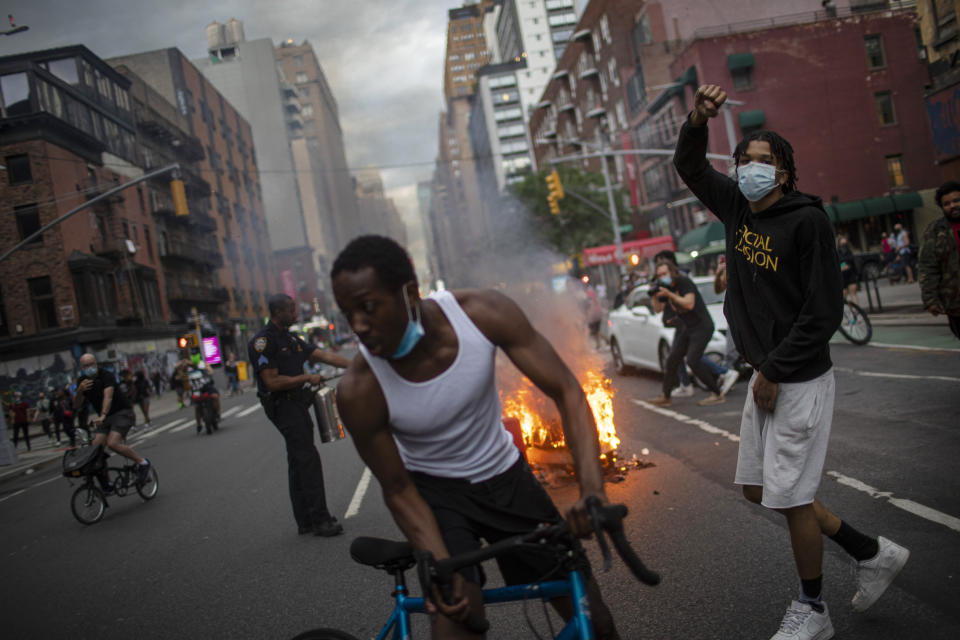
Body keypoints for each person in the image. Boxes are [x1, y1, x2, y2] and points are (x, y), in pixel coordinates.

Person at [675, 83, 910, 640]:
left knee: (793, 496)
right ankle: (869, 551)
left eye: (765, 161)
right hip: (767, 373)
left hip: (797, 376)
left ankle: (814, 610)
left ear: (783, 172)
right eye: (745, 161)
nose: (753, 169)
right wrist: (697, 120)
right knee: (761, 490)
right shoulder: (735, 206)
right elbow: (689, 166)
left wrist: (777, 369)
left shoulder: (807, 222)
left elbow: (823, 309)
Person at [332, 235, 621, 639]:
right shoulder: (359, 390)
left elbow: (568, 392)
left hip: (508, 480)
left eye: (368, 307)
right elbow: (397, 489)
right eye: (348, 314)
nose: (358, 326)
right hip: (437, 500)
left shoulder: (481, 314)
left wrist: (592, 491)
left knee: (596, 622)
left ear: (410, 293)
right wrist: (436, 561)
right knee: (459, 623)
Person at [248, 294, 351, 537]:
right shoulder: (264, 341)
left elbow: (322, 356)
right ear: (278, 312)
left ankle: (305, 520)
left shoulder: (291, 338)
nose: (296, 315)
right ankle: (320, 519)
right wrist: (306, 377)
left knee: (297, 460)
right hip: (282, 405)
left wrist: (355, 365)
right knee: (307, 459)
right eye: (291, 310)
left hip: (296, 404)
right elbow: (271, 381)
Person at [645, 261, 726, 407]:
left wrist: (670, 294)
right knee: (672, 360)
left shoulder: (683, 282)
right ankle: (666, 396)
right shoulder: (666, 288)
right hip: (688, 328)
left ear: (672, 272)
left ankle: (717, 393)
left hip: (702, 326)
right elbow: (658, 309)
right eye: (659, 275)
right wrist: (654, 295)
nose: (662, 277)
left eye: (664, 274)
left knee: (692, 360)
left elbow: (689, 304)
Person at [73, 354, 151, 484]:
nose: (90, 368)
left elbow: (107, 397)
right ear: (81, 367)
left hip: (122, 413)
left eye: (92, 364)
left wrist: (103, 414)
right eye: (86, 366)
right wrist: (79, 391)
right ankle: (106, 483)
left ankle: (142, 463)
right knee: (95, 449)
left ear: (96, 364)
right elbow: (76, 405)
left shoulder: (106, 376)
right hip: (104, 419)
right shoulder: (82, 381)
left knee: (112, 443)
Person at [919, 181, 960, 340]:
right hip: (955, 302)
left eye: (956, 200)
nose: (952, 206)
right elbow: (927, 267)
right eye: (947, 204)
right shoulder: (935, 231)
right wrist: (931, 299)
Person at [185, 356, 220, 433]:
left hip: (207, 387)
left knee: (216, 397)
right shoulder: (189, 369)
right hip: (196, 390)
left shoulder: (203, 365)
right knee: (197, 407)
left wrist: (208, 371)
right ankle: (199, 424)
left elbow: (211, 371)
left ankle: (217, 414)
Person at [837, 233, 860, 306]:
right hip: (843, 277)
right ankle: (852, 312)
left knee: (852, 294)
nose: (844, 246)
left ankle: (855, 312)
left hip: (850, 275)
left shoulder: (849, 252)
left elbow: (853, 263)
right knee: (845, 296)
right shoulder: (838, 253)